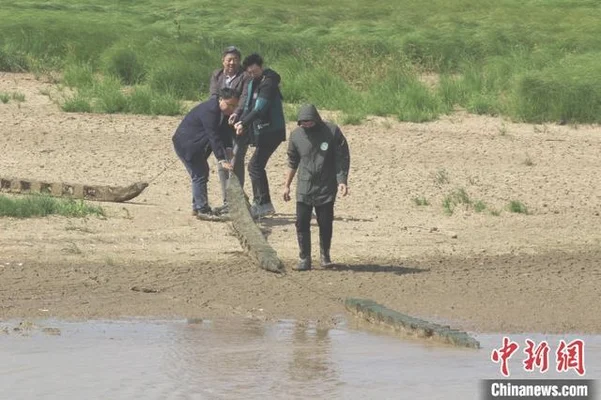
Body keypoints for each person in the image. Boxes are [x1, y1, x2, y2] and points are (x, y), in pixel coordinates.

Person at [283, 104, 351, 271]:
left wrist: (342, 180)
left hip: (326, 185)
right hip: (304, 186)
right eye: (303, 123)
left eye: (309, 122)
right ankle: (304, 258)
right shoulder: (296, 135)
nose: (306, 125)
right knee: (301, 222)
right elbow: (292, 161)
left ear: (316, 119)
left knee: (325, 222)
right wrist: (286, 185)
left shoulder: (332, 131)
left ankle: (325, 256)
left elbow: (341, 158)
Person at [172, 88, 239, 220]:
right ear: (220, 99)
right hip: (187, 144)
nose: (232, 108)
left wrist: (229, 148)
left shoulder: (222, 111)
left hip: (198, 145)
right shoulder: (210, 110)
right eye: (229, 104)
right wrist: (221, 159)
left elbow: (224, 131)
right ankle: (202, 209)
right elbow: (213, 136)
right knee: (200, 173)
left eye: (234, 106)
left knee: (200, 173)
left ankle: (197, 207)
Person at [234, 53, 286, 219]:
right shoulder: (252, 83)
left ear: (260, 67)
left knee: (254, 166)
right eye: (249, 72)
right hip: (261, 131)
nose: (252, 74)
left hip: (272, 132)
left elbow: (260, 108)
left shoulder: (268, 83)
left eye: (254, 71)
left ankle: (263, 203)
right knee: (255, 165)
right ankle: (264, 203)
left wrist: (244, 123)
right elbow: (249, 107)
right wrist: (240, 118)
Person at [207, 46, 252, 214]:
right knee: (222, 161)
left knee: (236, 160)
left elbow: (245, 98)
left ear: (239, 61)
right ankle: (227, 201)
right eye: (229, 59)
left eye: (235, 59)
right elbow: (213, 95)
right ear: (223, 61)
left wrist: (236, 113)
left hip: (239, 124)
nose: (231, 63)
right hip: (221, 122)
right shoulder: (217, 75)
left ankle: (238, 200)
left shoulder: (245, 77)